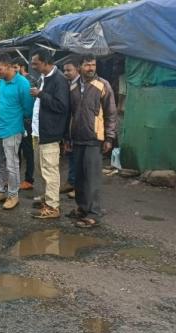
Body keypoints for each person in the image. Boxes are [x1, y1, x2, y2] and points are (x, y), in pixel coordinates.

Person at [67, 55, 117, 228]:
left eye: (93, 65)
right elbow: (70, 113)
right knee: (79, 177)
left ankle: (94, 213)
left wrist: (109, 137)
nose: (90, 68)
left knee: (92, 178)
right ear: (80, 66)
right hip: (77, 137)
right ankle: (82, 208)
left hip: (94, 138)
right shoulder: (73, 85)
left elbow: (111, 113)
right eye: (87, 65)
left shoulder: (103, 85)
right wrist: (68, 137)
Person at [30, 50, 70, 219]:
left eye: (36, 63)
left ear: (46, 62)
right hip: (38, 132)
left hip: (50, 133)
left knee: (50, 170)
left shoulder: (59, 79)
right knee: (41, 169)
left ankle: (53, 206)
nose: (33, 66)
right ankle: (48, 197)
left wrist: (41, 94)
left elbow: (61, 106)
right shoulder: (43, 78)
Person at [0, 53, 34, 210]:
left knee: (12, 164)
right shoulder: (0, 82)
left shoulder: (22, 83)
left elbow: (28, 108)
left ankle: (13, 195)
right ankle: (0, 191)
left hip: (13, 129)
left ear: (9, 67)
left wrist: (16, 120)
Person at [12, 57, 36, 191]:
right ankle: (15, 179)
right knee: (16, 152)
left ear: (21, 67)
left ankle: (29, 180)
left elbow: (30, 103)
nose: (14, 71)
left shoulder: (30, 80)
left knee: (28, 152)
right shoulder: (11, 81)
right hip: (16, 122)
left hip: (28, 122)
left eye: (15, 67)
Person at [61, 58, 81, 199]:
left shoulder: (81, 85)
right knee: (71, 156)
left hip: (79, 127)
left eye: (69, 70)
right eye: (65, 70)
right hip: (69, 126)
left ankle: (79, 187)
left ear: (77, 69)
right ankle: (71, 181)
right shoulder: (69, 84)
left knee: (79, 158)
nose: (66, 73)